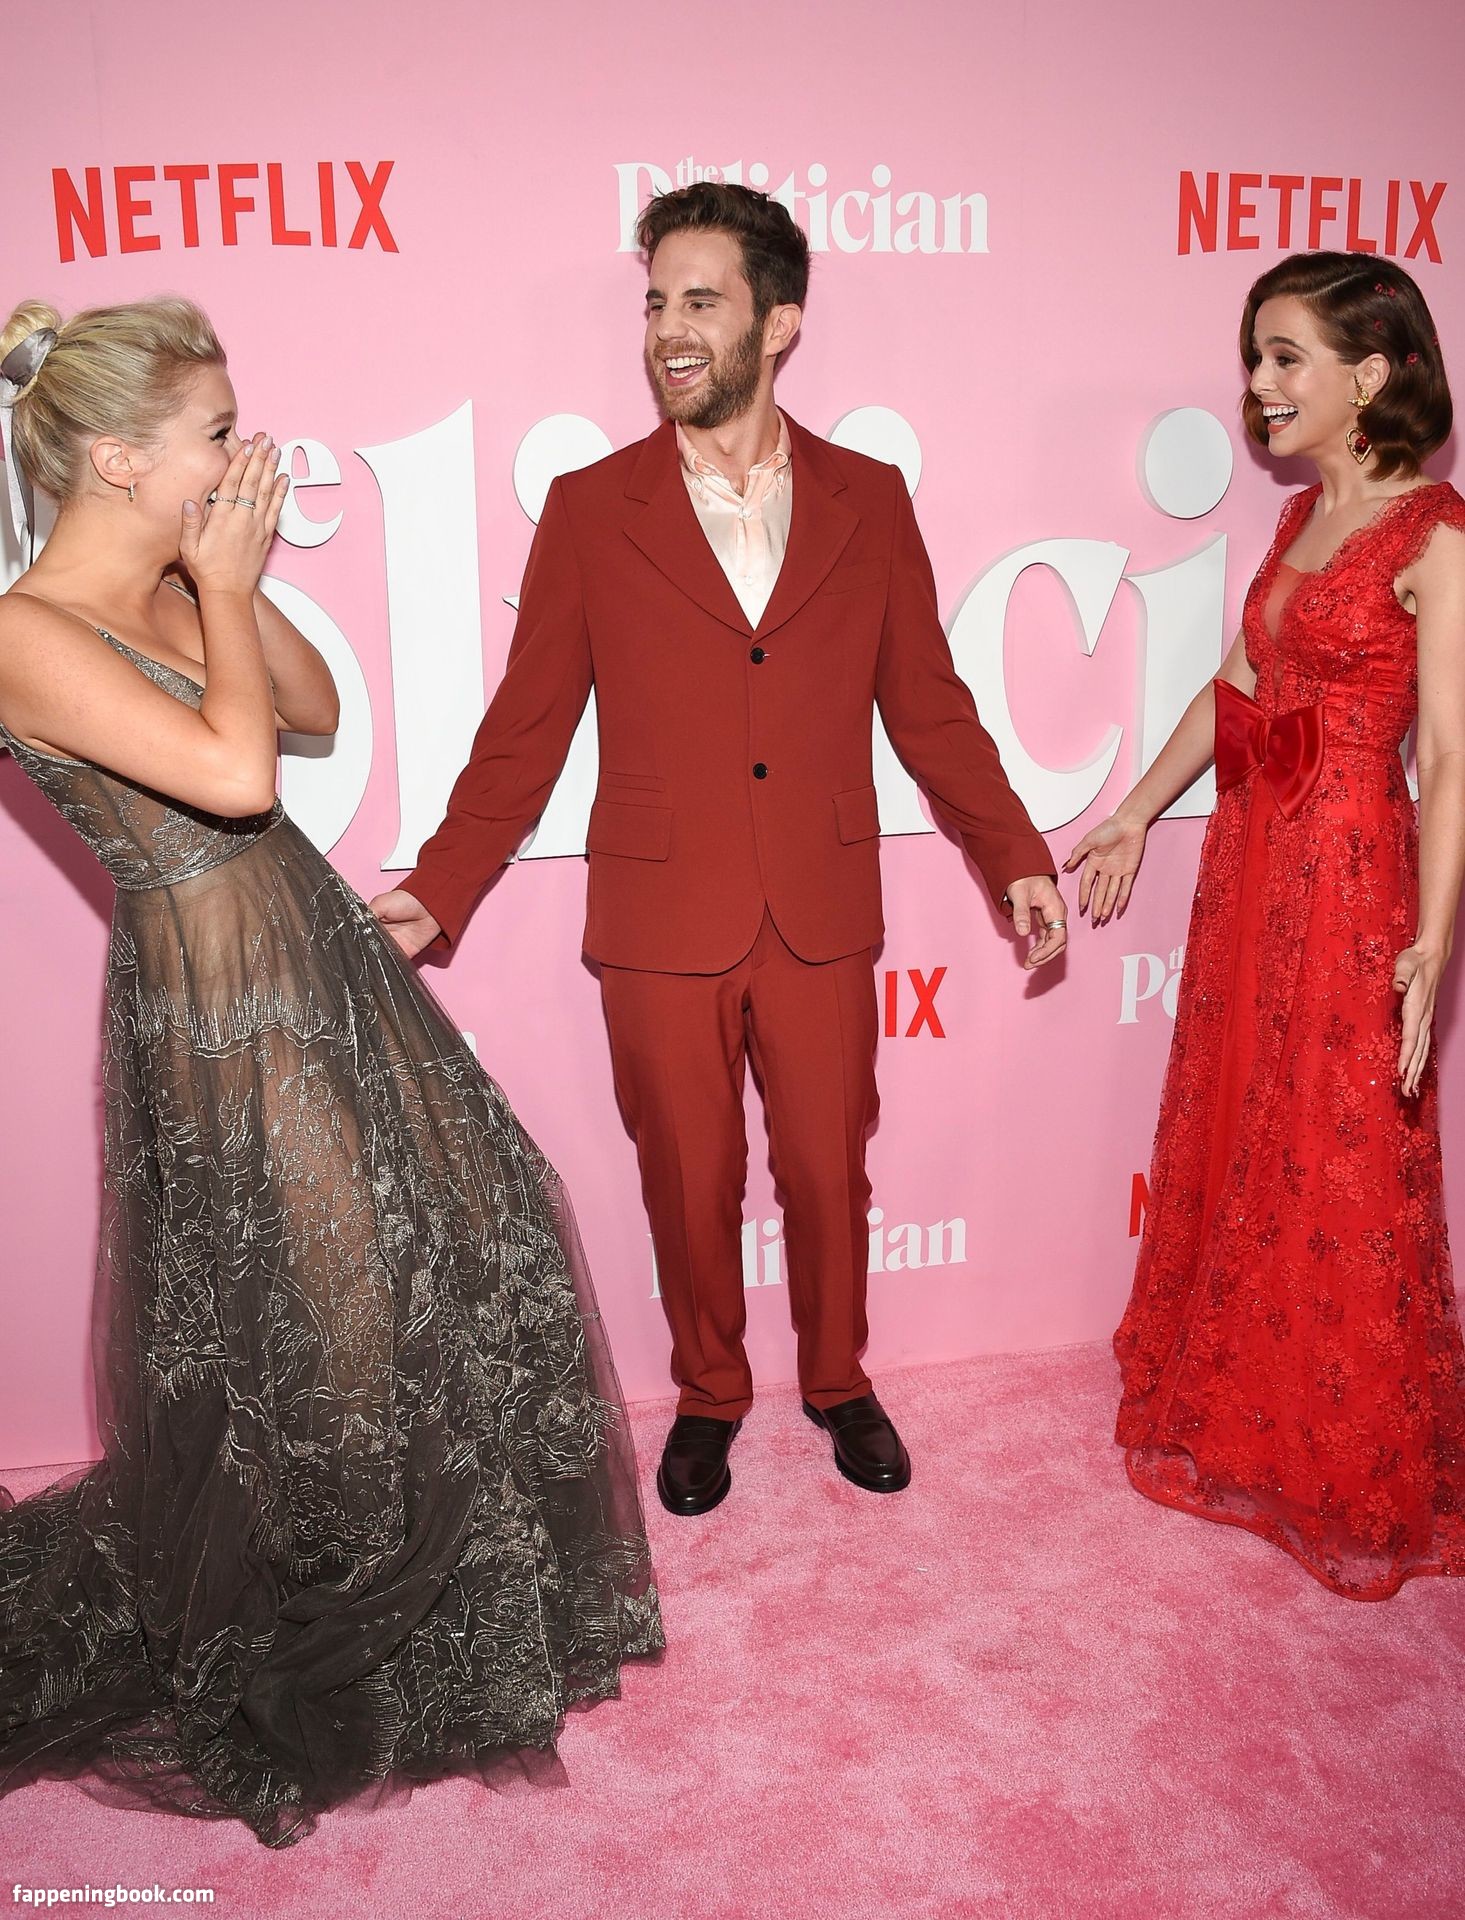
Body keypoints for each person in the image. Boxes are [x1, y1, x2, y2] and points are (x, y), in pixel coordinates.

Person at [0, 298, 661, 1847]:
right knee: (326, 1331)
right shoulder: (22, 632)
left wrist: (214, 577)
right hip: (220, 1012)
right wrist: (224, 582)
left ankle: (451, 1604)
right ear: (117, 459)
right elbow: (235, 778)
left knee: (472, 1237)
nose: (247, 456)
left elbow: (307, 710)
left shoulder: (170, 582)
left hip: (315, 956)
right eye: (215, 432)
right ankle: (343, 1649)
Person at [372, 183, 1067, 1518]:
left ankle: (839, 1379)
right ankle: (707, 1394)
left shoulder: (869, 499)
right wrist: (437, 889)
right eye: (655, 304)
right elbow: (524, 730)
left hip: (818, 902)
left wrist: (1014, 854)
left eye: (700, 301)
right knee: (686, 1180)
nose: (668, 331)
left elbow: (929, 707)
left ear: (778, 323)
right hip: (657, 912)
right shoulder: (591, 508)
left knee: (828, 1169)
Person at [1068, 251, 1465, 1599]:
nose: (1259, 384)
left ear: (1373, 372)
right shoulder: (1300, 517)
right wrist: (1133, 812)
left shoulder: (1437, 536)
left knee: (1338, 1141)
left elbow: (1450, 757)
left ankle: (1339, 1444)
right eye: (1255, 358)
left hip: (1351, 871)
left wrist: (1431, 941)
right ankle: (1243, 1395)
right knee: (1252, 1119)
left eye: (1286, 357)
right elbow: (1236, 684)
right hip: (1253, 859)